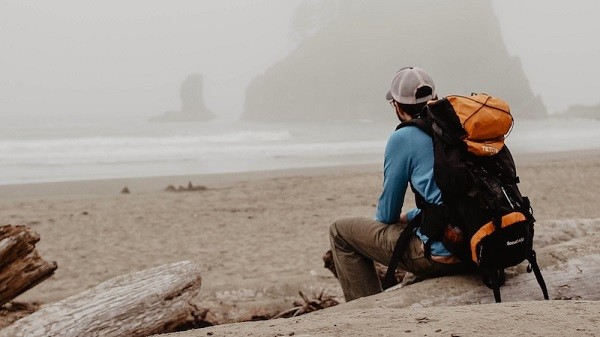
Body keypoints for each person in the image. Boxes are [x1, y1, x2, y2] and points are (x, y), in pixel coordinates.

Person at [328, 66, 472, 302]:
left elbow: (386, 214)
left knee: (339, 231)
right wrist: (415, 214)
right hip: (480, 243)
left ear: (397, 106)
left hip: (446, 254)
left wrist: (402, 218)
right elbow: (458, 197)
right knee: (411, 226)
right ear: (434, 98)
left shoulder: (403, 138)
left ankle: (367, 312)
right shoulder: (458, 127)